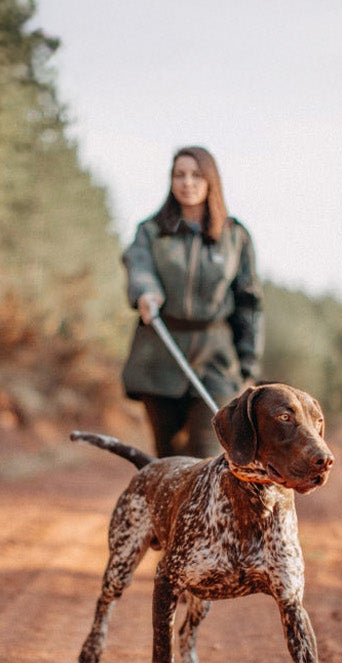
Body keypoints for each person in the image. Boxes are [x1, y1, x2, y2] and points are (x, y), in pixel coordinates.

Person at [120, 145, 260, 458]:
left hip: (216, 361)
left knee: (207, 457)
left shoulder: (235, 236)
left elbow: (249, 304)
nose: (187, 182)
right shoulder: (152, 231)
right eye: (179, 175)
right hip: (160, 353)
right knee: (167, 460)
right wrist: (145, 291)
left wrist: (248, 366)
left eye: (196, 175)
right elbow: (137, 265)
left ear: (211, 181)